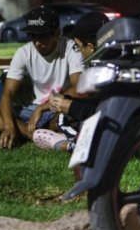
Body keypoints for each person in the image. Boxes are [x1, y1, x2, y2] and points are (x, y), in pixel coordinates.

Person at [0, 7, 84, 149]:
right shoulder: (24, 52)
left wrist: (42, 109)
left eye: (43, 35)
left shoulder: (71, 48)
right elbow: (7, 93)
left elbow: (79, 88)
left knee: (70, 115)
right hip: (30, 109)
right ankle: (35, 134)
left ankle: (32, 133)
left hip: (58, 108)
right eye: (33, 35)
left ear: (57, 32)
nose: (37, 42)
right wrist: (8, 126)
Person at [33, 11, 108, 151]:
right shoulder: (114, 62)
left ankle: (70, 145)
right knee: (65, 118)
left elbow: (110, 116)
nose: (79, 51)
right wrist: (68, 101)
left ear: (91, 46)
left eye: (79, 46)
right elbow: (102, 104)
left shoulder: (112, 70)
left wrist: (71, 106)